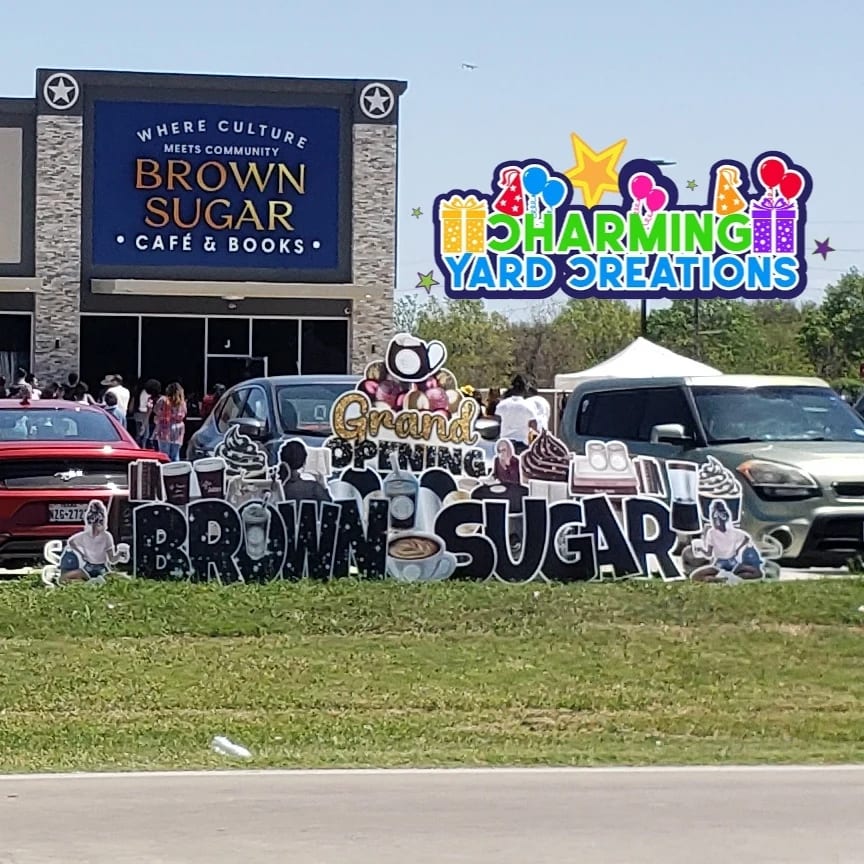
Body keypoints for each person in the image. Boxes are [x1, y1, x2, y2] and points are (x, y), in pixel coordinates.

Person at [41, 500, 129, 587]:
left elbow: (112, 559)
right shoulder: (86, 536)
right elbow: (71, 542)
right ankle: (91, 583)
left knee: (121, 579)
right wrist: (81, 553)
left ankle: (93, 582)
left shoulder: (105, 536)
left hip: (100, 568)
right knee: (63, 579)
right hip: (88, 568)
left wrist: (119, 553)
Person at [689, 500, 763, 582]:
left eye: (719, 518)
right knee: (696, 576)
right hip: (720, 563)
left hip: (732, 562)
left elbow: (746, 538)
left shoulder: (732, 532)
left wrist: (738, 550)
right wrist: (701, 550)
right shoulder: (712, 532)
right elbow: (709, 554)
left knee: (757, 573)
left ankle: (729, 578)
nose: (717, 521)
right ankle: (724, 579)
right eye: (714, 518)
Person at [494, 375, 538, 454]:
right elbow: (534, 426)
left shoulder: (502, 405)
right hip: (522, 444)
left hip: (504, 443)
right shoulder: (528, 406)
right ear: (524, 389)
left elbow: (496, 423)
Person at [153, 382, 187, 461]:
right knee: (175, 455)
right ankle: (175, 468)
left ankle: (165, 468)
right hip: (178, 429)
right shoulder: (182, 403)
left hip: (164, 428)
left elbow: (156, 410)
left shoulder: (163, 400)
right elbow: (184, 414)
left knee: (164, 455)